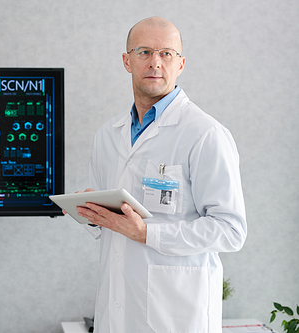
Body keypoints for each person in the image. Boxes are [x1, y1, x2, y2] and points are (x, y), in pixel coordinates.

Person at [75, 17, 247, 332]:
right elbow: (108, 223)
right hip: (116, 313)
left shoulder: (205, 134)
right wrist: (91, 213)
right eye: (144, 52)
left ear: (180, 63)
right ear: (127, 61)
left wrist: (148, 233)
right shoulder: (108, 135)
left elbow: (230, 230)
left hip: (176, 315)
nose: (155, 62)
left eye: (166, 53)